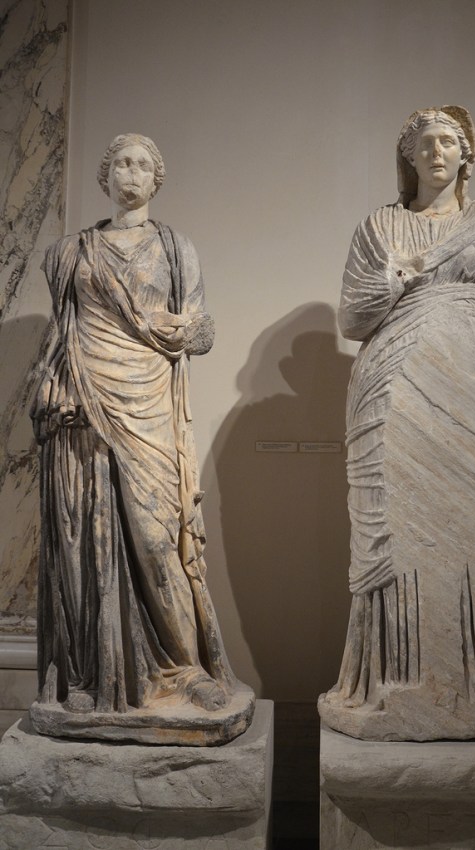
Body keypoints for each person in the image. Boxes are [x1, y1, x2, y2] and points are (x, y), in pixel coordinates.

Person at [318, 107, 475, 741]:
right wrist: (399, 276)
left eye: (449, 143)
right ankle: (405, 689)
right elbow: (352, 320)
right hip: (395, 394)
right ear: (407, 156)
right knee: (407, 539)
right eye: (424, 143)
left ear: (466, 156)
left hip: (471, 393)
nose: (436, 152)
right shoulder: (379, 227)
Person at [30, 134, 242, 730]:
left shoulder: (176, 249)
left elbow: (201, 329)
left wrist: (185, 331)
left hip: (147, 402)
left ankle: (185, 668)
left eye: (143, 164)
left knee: (156, 539)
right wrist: (55, 383)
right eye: (121, 162)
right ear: (106, 177)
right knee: (87, 538)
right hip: (83, 401)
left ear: (156, 180)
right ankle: (90, 673)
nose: (131, 171)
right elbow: (62, 330)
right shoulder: (69, 251)